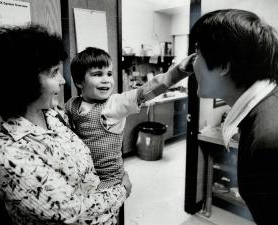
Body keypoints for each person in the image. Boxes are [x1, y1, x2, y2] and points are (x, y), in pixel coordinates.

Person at [0, 24, 131, 225]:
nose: (64, 80)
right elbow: (75, 213)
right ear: (24, 82)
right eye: (54, 72)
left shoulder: (54, 115)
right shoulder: (9, 154)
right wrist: (122, 190)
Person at [190, 9, 278, 225]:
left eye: (198, 54)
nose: (192, 64)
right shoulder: (277, 99)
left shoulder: (272, 140)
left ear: (224, 65)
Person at [65, 47, 195, 191]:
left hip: (109, 179)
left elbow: (145, 91)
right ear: (79, 82)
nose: (106, 80)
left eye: (109, 74)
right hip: (82, 175)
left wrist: (178, 72)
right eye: (97, 74)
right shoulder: (72, 104)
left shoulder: (114, 104)